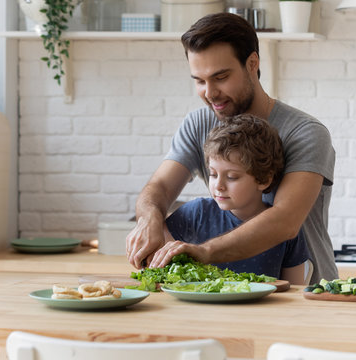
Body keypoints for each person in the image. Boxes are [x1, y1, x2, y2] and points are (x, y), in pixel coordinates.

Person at [126, 12, 338, 283]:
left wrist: (203, 252)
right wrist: (149, 219)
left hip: (306, 294)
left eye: (221, 77)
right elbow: (160, 189)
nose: (210, 93)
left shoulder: (305, 133)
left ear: (252, 64)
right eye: (200, 81)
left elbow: (284, 221)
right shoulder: (198, 123)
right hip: (230, 291)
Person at [164, 114, 310, 284]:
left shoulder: (283, 229)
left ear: (264, 179)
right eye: (213, 174)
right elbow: (160, 254)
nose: (218, 185)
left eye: (232, 177)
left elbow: (294, 292)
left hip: (264, 311)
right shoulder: (196, 213)